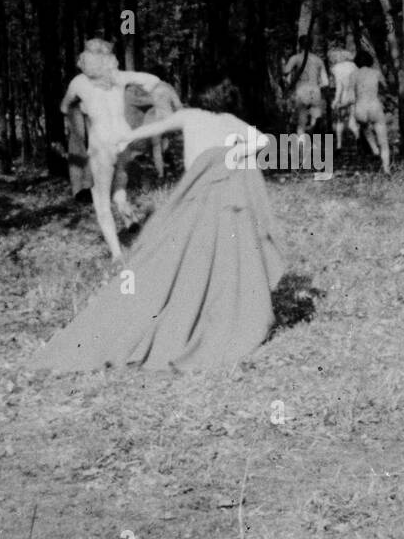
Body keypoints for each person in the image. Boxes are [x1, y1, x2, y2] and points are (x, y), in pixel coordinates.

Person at [25, 107, 285, 374]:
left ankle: (181, 315)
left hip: (200, 196)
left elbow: (157, 127)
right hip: (222, 197)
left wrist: (127, 137)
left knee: (175, 258)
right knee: (215, 259)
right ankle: (211, 314)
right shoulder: (231, 120)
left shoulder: (190, 115)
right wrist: (235, 153)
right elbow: (263, 140)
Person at [61, 40, 163, 260]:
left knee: (101, 202)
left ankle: (117, 255)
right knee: (120, 181)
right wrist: (139, 97)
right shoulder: (119, 77)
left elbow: (64, 106)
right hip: (124, 140)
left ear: (86, 59)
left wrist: (81, 109)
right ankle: (127, 213)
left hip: (102, 144)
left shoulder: (79, 82)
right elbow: (153, 80)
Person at [282, 35, 328, 155]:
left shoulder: (295, 58)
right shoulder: (318, 60)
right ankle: (313, 136)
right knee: (315, 118)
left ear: (299, 45)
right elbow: (326, 82)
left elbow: (285, 72)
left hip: (301, 90)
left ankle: (302, 148)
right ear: (311, 45)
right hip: (315, 90)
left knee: (301, 121)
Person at [351, 50, 391, 173]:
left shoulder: (354, 74)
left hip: (360, 107)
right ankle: (386, 168)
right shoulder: (376, 73)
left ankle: (374, 149)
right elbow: (386, 88)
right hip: (374, 105)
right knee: (383, 140)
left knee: (365, 127)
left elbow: (351, 93)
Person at [328, 48, 359, 150]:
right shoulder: (354, 66)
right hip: (355, 95)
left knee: (340, 120)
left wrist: (336, 100)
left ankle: (339, 144)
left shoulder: (336, 68)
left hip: (344, 96)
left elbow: (339, 86)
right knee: (352, 121)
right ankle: (358, 140)